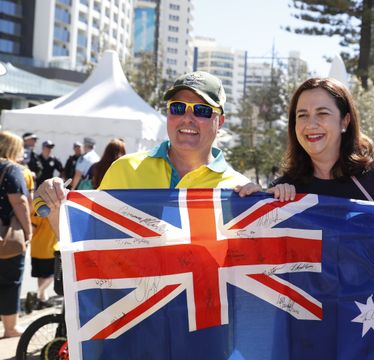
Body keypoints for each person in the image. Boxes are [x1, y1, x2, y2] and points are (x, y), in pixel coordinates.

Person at [35, 71, 250, 234]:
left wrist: (276, 201)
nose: (187, 118)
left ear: (220, 121)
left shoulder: (239, 191)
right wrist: (53, 204)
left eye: (201, 110)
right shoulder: (125, 169)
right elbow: (87, 241)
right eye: (177, 107)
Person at [237, 77, 374, 207]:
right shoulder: (283, 192)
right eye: (302, 115)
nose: (311, 124)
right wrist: (253, 202)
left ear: (345, 121)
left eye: (322, 113)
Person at [0, 131, 32, 338]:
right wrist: (29, 232)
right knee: (10, 280)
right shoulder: (11, 170)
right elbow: (19, 203)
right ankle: (10, 328)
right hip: (7, 235)